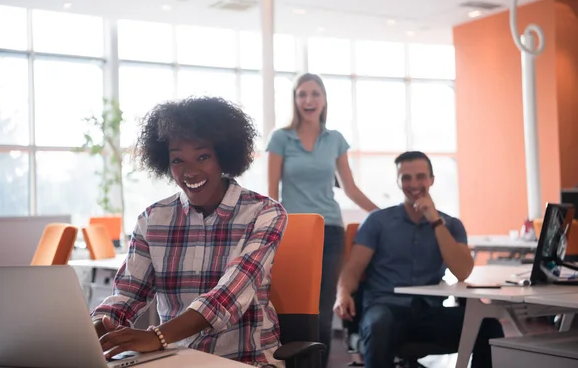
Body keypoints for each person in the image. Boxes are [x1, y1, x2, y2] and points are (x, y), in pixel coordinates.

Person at [91, 96, 287, 367]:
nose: (190, 171)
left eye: (203, 156)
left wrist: (158, 336)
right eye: (177, 160)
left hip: (245, 360)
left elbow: (227, 297)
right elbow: (128, 294)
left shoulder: (264, 213)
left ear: (224, 156)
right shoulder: (152, 220)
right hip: (173, 360)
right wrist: (96, 327)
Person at [333, 151, 504, 368]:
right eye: (406, 177)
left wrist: (434, 220)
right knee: (379, 324)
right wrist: (343, 294)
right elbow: (353, 268)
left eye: (420, 176)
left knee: (489, 327)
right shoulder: (378, 221)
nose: (413, 183)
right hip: (385, 307)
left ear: (431, 180)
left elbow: (462, 271)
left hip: (429, 311)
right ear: (398, 181)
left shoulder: (451, 225)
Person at [266, 73, 379, 367]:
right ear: (295, 100)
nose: (308, 100)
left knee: (321, 314)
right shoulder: (280, 138)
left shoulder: (335, 140)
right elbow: (271, 193)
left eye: (315, 93)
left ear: (324, 99)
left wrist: (382, 214)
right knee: (290, 311)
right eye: (302, 94)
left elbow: (350, 189)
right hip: (293, 233)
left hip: (330, 231)